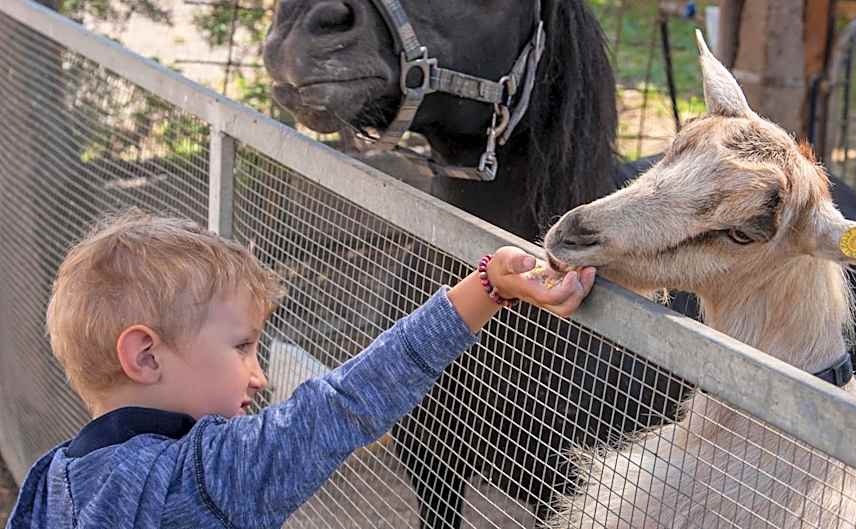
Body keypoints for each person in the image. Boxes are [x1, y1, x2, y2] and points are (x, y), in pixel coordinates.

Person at [6, 210, 595, 529]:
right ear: (145, 356)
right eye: (242, 347)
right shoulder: (202, 476)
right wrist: (487, 288)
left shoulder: (49, 480)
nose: (258, 376)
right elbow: (348, 401)